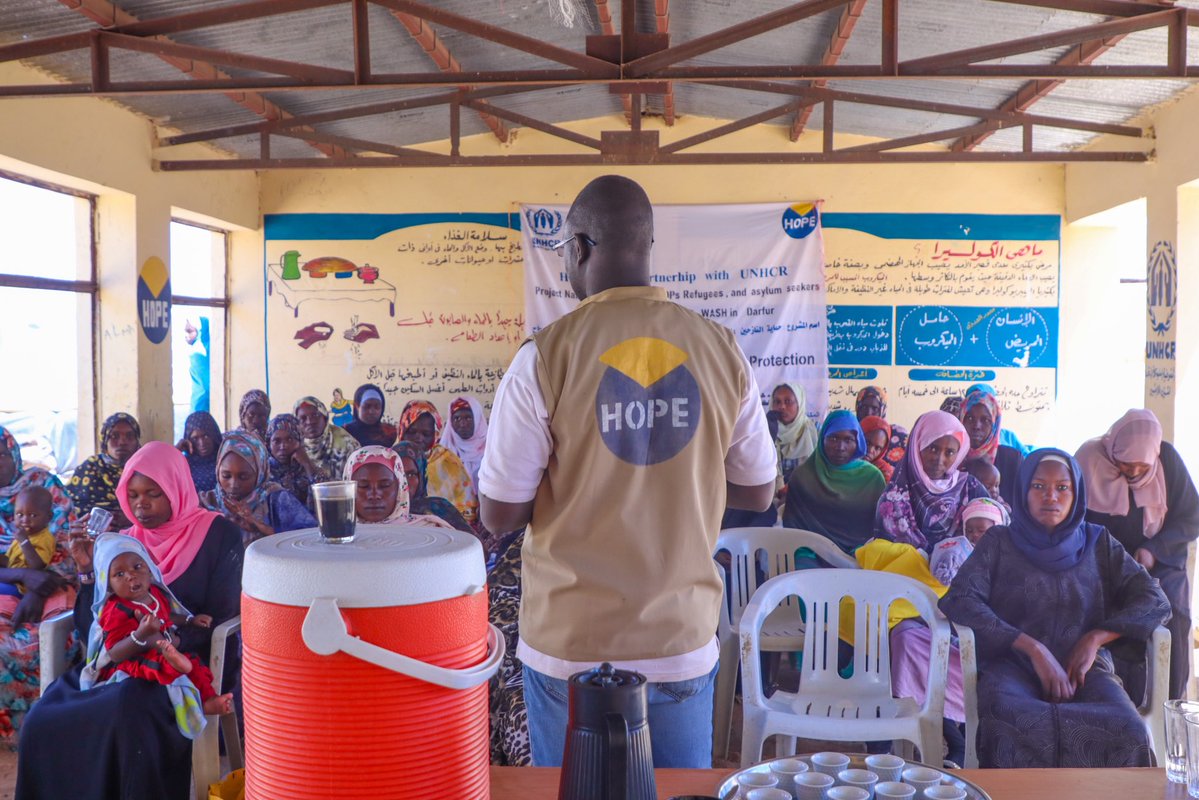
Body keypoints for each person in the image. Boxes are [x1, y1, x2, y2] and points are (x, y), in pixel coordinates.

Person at [478, 175, 776, 769]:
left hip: (569, 643)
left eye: (563, 251)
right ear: (647, 245)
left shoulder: (545, 355)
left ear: (579, 247)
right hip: (678, 639)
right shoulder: (721, 349)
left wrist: (581, 474)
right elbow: (759, 489)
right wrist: (688, 474)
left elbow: (500, 512)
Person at [18, 441, 243, 800]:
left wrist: (166, 643)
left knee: (126, 711)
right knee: (42, 718)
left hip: (180, 665)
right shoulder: (121, 545)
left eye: (154, 494)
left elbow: (220, 616)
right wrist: (86, 571)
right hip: (118, 660)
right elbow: (91, 627)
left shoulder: (219, 535)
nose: (141, 505)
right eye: (133, 495)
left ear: (177, 487)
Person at [939, 449, 1171, 768]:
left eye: (1063, 487)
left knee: (1127, 730)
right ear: (1023, 491)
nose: (1051, 496)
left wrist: (1094, 639)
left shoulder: (1098, 543)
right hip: (1011, 667)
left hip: (1085, 671)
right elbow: (960, 598)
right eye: (1039, 486)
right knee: (1008, 725)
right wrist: (1032, 648)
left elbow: (1154, 598)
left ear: (1077, 494)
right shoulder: (999, 542)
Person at [1077, 408, 1199, 700]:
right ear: (1113, 448)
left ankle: (1170, 702)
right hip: (1102, 562)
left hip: (1160, 563)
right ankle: (1111, 698)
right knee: (1098, 610)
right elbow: (1074, 518)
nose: (1132, 472)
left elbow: (1191, 517)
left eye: (1142, 467)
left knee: (1171, 613)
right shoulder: (1088, 459)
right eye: (1124, 463)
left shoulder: (1167, 460)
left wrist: (1153, 551)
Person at [83, 534, 233, 729]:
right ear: (108, 585)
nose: (131, 576)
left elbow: (167, 615)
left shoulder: (155, 594)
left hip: (163, 648)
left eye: (137, 567)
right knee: (169, 667)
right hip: (133, 659)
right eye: (119, 574)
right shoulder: (116, 610)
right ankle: (185, 695)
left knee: (195, 665)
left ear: (150, 569)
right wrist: (141, 634)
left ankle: (207, 701)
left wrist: (190, 619)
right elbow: (115, 653)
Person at [874, 410, 989, 552]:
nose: (939, 459)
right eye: (933, 448)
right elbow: (885, 552)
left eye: (949, 452)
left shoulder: (970, 488)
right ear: (917, 445)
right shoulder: (892, 500)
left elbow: (993, 531)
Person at [782, 410, 886, 553]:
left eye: (848, 440)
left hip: (859, 552)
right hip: (809, 551)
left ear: (857, 442)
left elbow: (880, 528)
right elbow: (792, 526)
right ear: (822, 439)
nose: (840, 447)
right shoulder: (803, 476)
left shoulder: (872, 479)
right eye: (833, 438)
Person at [201, 431, 316, 547]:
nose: (234, 484)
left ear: (260, 474)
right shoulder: (207, 502)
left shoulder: (277, 499)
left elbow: (309, 540)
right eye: (226, 476)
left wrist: (259, 526)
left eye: (244, 477)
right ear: (217, 471)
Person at [396, 400, 479, 526]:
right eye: (412, 432)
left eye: (426, 434)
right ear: (402, 430)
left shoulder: (448, 462)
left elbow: (467, 510)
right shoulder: (391, 459)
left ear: (435, 434)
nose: (419, 438)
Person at [342, 447, 453, 528]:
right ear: (348, 489)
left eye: (385, 485)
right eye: (363, 486)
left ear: (400, 489)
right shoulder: (336, 534)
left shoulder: (429, 530)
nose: (374, 495)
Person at [65, 412, 141, 529]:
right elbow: (73, 508)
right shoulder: (90, 468)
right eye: (114, 436)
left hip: (140, 534)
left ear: (137, 440)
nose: (122, 442)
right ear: (104, 440)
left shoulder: (146, 469)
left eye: (130, 436)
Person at [958, 384, 1024, 506]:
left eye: (986, 420)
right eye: (970, 418)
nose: (977, 426)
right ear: (961, 419)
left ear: (995, 424)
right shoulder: (952, 457)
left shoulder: (1012, 459)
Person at [392, 442, 473, 534]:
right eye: (398, 473)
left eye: (411, 475)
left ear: (421, 476)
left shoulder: (440, 509)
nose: (404, 481)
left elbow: (472, 540)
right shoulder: (381, 512)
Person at [929, 496, 1009, 587]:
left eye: (981, 531)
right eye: (969, 531)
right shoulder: (959, 551)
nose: (975, 534)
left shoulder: (1003, 556)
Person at [0, 488, 57, 595]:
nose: (25, 520)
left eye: (33, 515)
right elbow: (10, 561)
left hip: (22, 587)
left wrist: (24, 542)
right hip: (11, 580)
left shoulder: (44, 538)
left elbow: (38, 566)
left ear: (49, 517)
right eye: (20, 515)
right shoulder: (24, 535)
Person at [266, 413, 329, 510]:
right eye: (276, 441)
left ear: (300, 441)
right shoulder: (262, 473)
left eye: (290, 439)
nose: (283, 446)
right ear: (268, 444)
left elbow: (326, 501)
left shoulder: (311, 469)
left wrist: (307, 464)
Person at [293, 396, 360, 480]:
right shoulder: (292, 446)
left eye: (315, 415)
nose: (310, 422)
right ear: (296, 424)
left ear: (325, 418)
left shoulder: (347, 443)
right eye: (303, 418)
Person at [439, 394, 489, 492]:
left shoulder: (491, 450)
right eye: (457, 418)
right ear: (451, 422)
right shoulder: (443, 451)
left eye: (468, 418)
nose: (463, 424)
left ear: (477, 419)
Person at [769, 382, 817, 480]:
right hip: (772, 488)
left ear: (799, 404)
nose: (782, 406)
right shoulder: (765, 430)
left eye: (788, 401)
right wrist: (768, 436)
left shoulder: (814, 430)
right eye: (777, 402)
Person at [856, 385, 907, 470]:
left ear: (883, 409)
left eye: (875, 408)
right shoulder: (849, 434)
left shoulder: (899, 436)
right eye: (864, 407)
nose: (869, 413)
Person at [176, 411, 222, 494]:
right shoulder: (183, 464)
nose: (202, 443)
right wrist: (175, 450)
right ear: (188, 440)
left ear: (213, 434)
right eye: (195, 438)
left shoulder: (225, 458)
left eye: (206, 436)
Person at [343, 383, 397, 447]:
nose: (372, 411)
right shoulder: (344, 433)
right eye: (367, 406)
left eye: (377, 407)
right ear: (357, 406)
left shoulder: (390, 433)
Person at [185, 318, 211, 414]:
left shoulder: (199, 352)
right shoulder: (204, 346)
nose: (186, 336)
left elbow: (206, 387)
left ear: (199, 330)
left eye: (190, 331)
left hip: (201, 407)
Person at [860, 415, 894, 482]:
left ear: (883, 450)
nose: (870, 450)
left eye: (877, 448)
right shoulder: (843, 461)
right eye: (867, 443)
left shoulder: (884, 472)